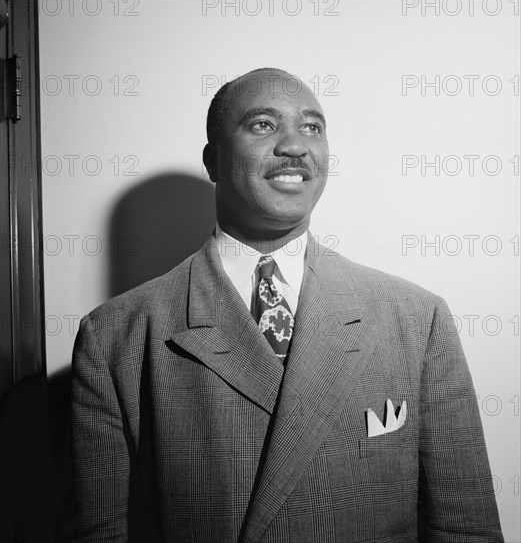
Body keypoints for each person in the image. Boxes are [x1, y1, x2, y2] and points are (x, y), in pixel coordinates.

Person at [62, 68, 504, 542]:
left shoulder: (418, 319)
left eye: (312, 127)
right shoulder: (114, 336)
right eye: (263, 125)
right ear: (213, 161)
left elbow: (465, 527)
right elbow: (98, 531)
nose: (295, 145)